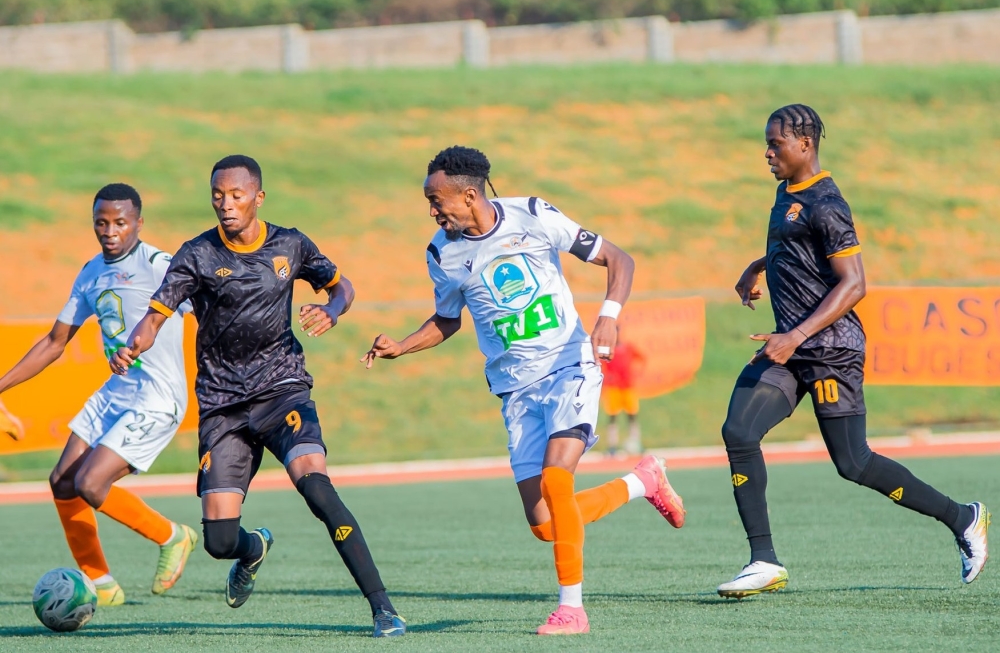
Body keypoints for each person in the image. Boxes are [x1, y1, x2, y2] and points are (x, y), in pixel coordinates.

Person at [362, 146, 686, 636]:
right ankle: (643, 481)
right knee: (546, 525)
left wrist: (608, 318)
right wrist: (403, 346)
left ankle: (572, 610)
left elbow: (619, 259)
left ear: (469, 195)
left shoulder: (533, 216)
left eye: (436, 200)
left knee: (559, 479)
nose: (432, 210)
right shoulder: (441, 252)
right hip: (516, 391)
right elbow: (448, 319)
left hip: (567, 366)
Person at [110, 155, 405, 638]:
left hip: (281, 390)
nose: (226, 205)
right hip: (223, 405)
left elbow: (341, 285)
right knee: (219, 541)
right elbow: (155, 317)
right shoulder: (197, 255)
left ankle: (383, 608)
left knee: (316, 487)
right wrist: (131, 347)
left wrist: (333, 308)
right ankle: (253, 549)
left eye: (236, 195)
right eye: (217, 196)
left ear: (258, 197)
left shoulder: (291, 243)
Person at [717, 104, 989, 599]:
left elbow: (855, 283)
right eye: (767, 143)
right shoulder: (787, 193)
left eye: (775, 144)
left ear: (805, 145)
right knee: (738, 430)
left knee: (854, 463)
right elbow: (795, 246)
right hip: (792, 346)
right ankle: (763, 561)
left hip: (829, 351)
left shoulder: (827, 203)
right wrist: (756, 266)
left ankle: (963, 517)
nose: (768, 152)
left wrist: (795, 336)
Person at [0, 183, 198, 606]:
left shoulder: (161, 265)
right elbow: (55, 343)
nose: (110, 231)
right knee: (62, 481)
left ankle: (173, 536)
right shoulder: (91, 272)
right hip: (117, 392)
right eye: (101, 223)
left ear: (139, 224)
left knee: (91, 483)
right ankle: (102, 585)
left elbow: (213, 311)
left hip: (158, 397)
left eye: (120, 223)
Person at [601, 326, 646, 456]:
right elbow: (600, 365)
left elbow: (642, 359)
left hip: (628, 387)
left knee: (632, 415)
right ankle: (612, 445)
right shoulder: (608, 350)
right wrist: (606, 376)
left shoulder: (628, 348)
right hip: (613, 388)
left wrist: (637, 374)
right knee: (612, 417)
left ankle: (636, 442)